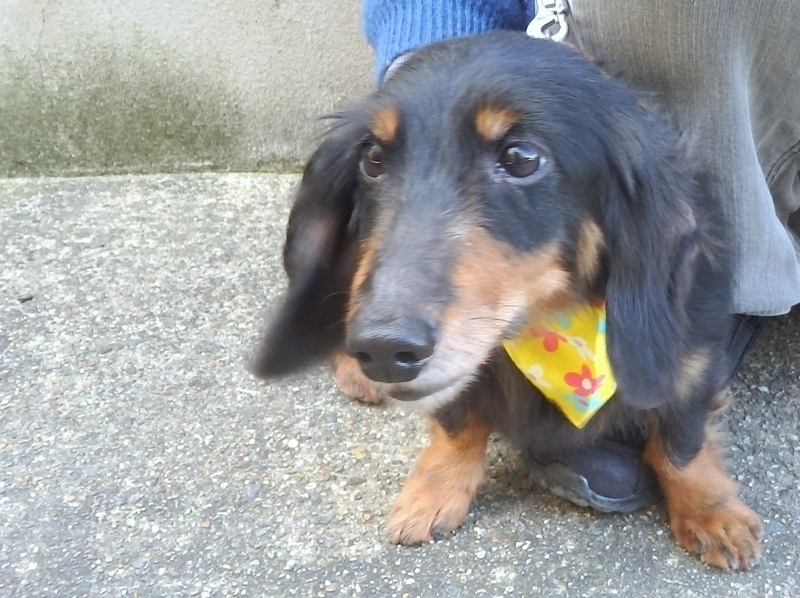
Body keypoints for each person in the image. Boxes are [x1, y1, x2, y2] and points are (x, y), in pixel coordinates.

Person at [359, 0, 800, 512]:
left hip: (649, 220)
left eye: (518, 160)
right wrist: (423, 76)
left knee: (685, 360)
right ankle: (461, 445)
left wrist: (688, 470)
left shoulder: (662, 221)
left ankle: (676, 442)